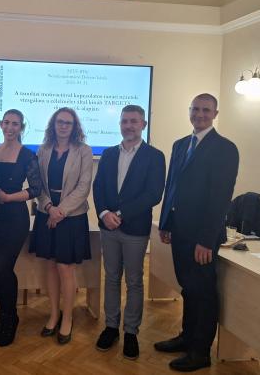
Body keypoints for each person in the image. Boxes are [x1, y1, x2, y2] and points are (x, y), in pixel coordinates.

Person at [155, 93, 239, 372]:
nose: (200, 114)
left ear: (215, 114)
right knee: (187, 287)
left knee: (203, 292)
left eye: (206, 110)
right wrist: (165, 222)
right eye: (195, 109)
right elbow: (172, 186)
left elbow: (220, 199)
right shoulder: (180, 145)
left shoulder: (225, 148)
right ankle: (187, 337)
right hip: (179, 231)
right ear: (189, 111)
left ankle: (200, 352)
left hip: (202, 237)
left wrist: (206, 240)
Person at [92, 105, 165, 359]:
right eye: (125, 121)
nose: (129, 125)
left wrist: (120, 214)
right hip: (108, 227)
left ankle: (131, 332)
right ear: (120, 124)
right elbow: (98, 187)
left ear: (143, 124)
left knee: (134, 281)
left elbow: (153, 194)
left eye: (134, 121)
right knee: (111, 278)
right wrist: (104, 213)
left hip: (135, 229)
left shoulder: (155, 156)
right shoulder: (109, 154)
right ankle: (111, 327)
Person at [30, 107, 93, 345]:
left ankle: (67, 318)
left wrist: (61, 211)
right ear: (53, 125)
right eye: (59, 122)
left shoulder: (84, 151)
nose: (63, 126)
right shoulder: (43, 149)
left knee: (65, 267)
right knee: (50, 265)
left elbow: (83, 186)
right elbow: (37, 185)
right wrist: (49, 208)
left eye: (68, 122)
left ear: (74, 126)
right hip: (47, 212)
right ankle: (54, 314)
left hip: (72, 216)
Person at [0, 109, 42, 347]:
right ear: (1, 124)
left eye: (15, 124)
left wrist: (8, 198)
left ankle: (10, 319)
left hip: (14, 218)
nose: (10, 128)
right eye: (7, 123)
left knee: (4, 267)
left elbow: (36, 189)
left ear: (21, 128)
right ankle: (2, 317)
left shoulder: (28, 155)